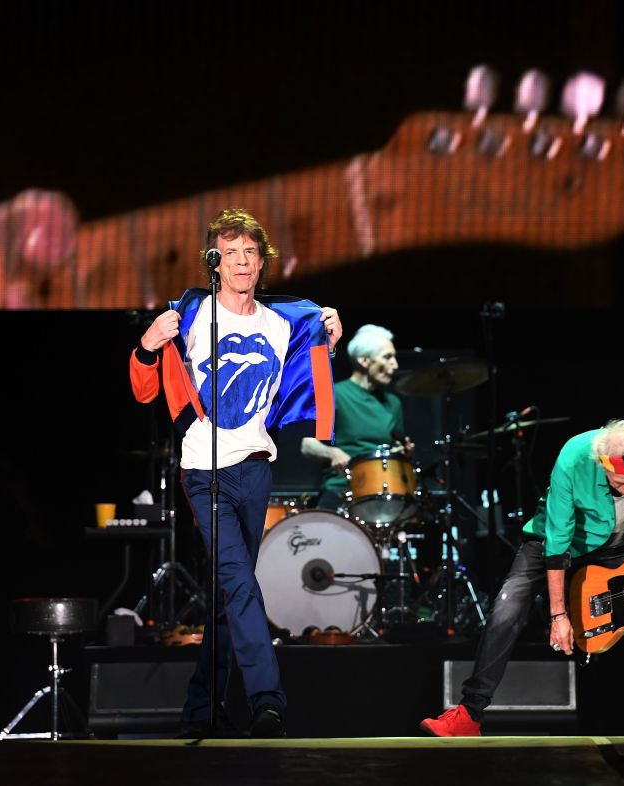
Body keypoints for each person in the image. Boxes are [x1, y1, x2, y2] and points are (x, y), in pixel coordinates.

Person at [129, 207, 342, 738]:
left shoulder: (283, 322)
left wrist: (329, 340)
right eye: (231, 253)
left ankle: (199, 708)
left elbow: (306, 374)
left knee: (231, 595)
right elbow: (145, 391)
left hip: (255, 469)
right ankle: (268, 703)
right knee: (241, 585)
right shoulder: (191, 317)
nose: (242, 262)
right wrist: (146, 346)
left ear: (263, 261)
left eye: (250, 252)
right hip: (204, 472)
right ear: (215, 262)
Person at [420, 418, 624, 737]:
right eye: (618, 482)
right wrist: (559, 615)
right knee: (508, 607)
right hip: (558, 539)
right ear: (601, 464)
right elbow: (557, 542)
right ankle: (468, 714)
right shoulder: (574, 457)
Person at [300, 323, 409, 514]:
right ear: (364, 360)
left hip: (383, 490)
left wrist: (404, 451)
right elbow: (307, 445)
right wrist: (333, 453)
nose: (395, 365)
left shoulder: (393, 403)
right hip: (342, 488)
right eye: (387, 357)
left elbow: (399, 447)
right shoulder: (334, 395)